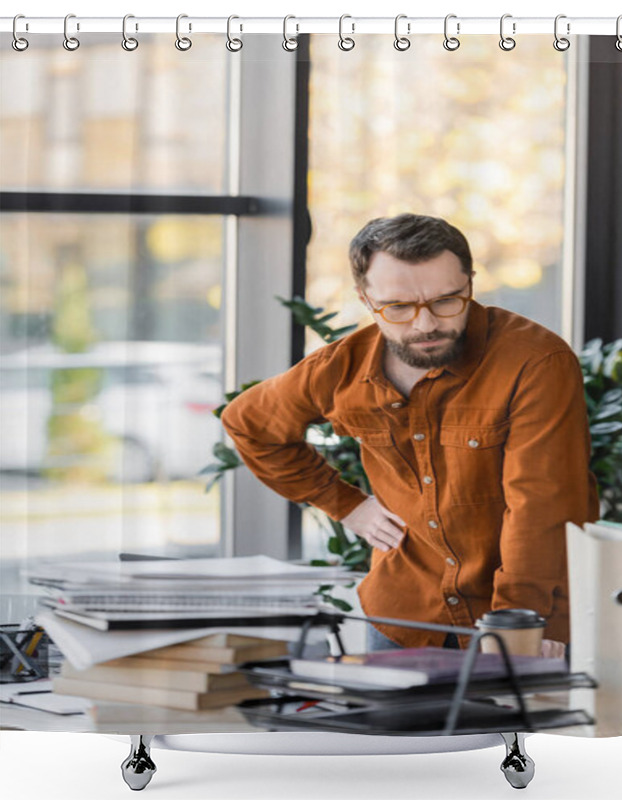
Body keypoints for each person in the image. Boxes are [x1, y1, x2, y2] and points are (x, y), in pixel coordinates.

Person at [221, 213, 599, 656]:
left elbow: (540, 506)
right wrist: (348, 506)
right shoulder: (341, 369)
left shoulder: (535, 362)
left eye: (446, 301)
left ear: (470, 284)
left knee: (506, 730)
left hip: (517, 621)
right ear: (365, 299)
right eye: (398, 308)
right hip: (402, 616)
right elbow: (248, 423)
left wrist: (519, 625)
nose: (425, 325)